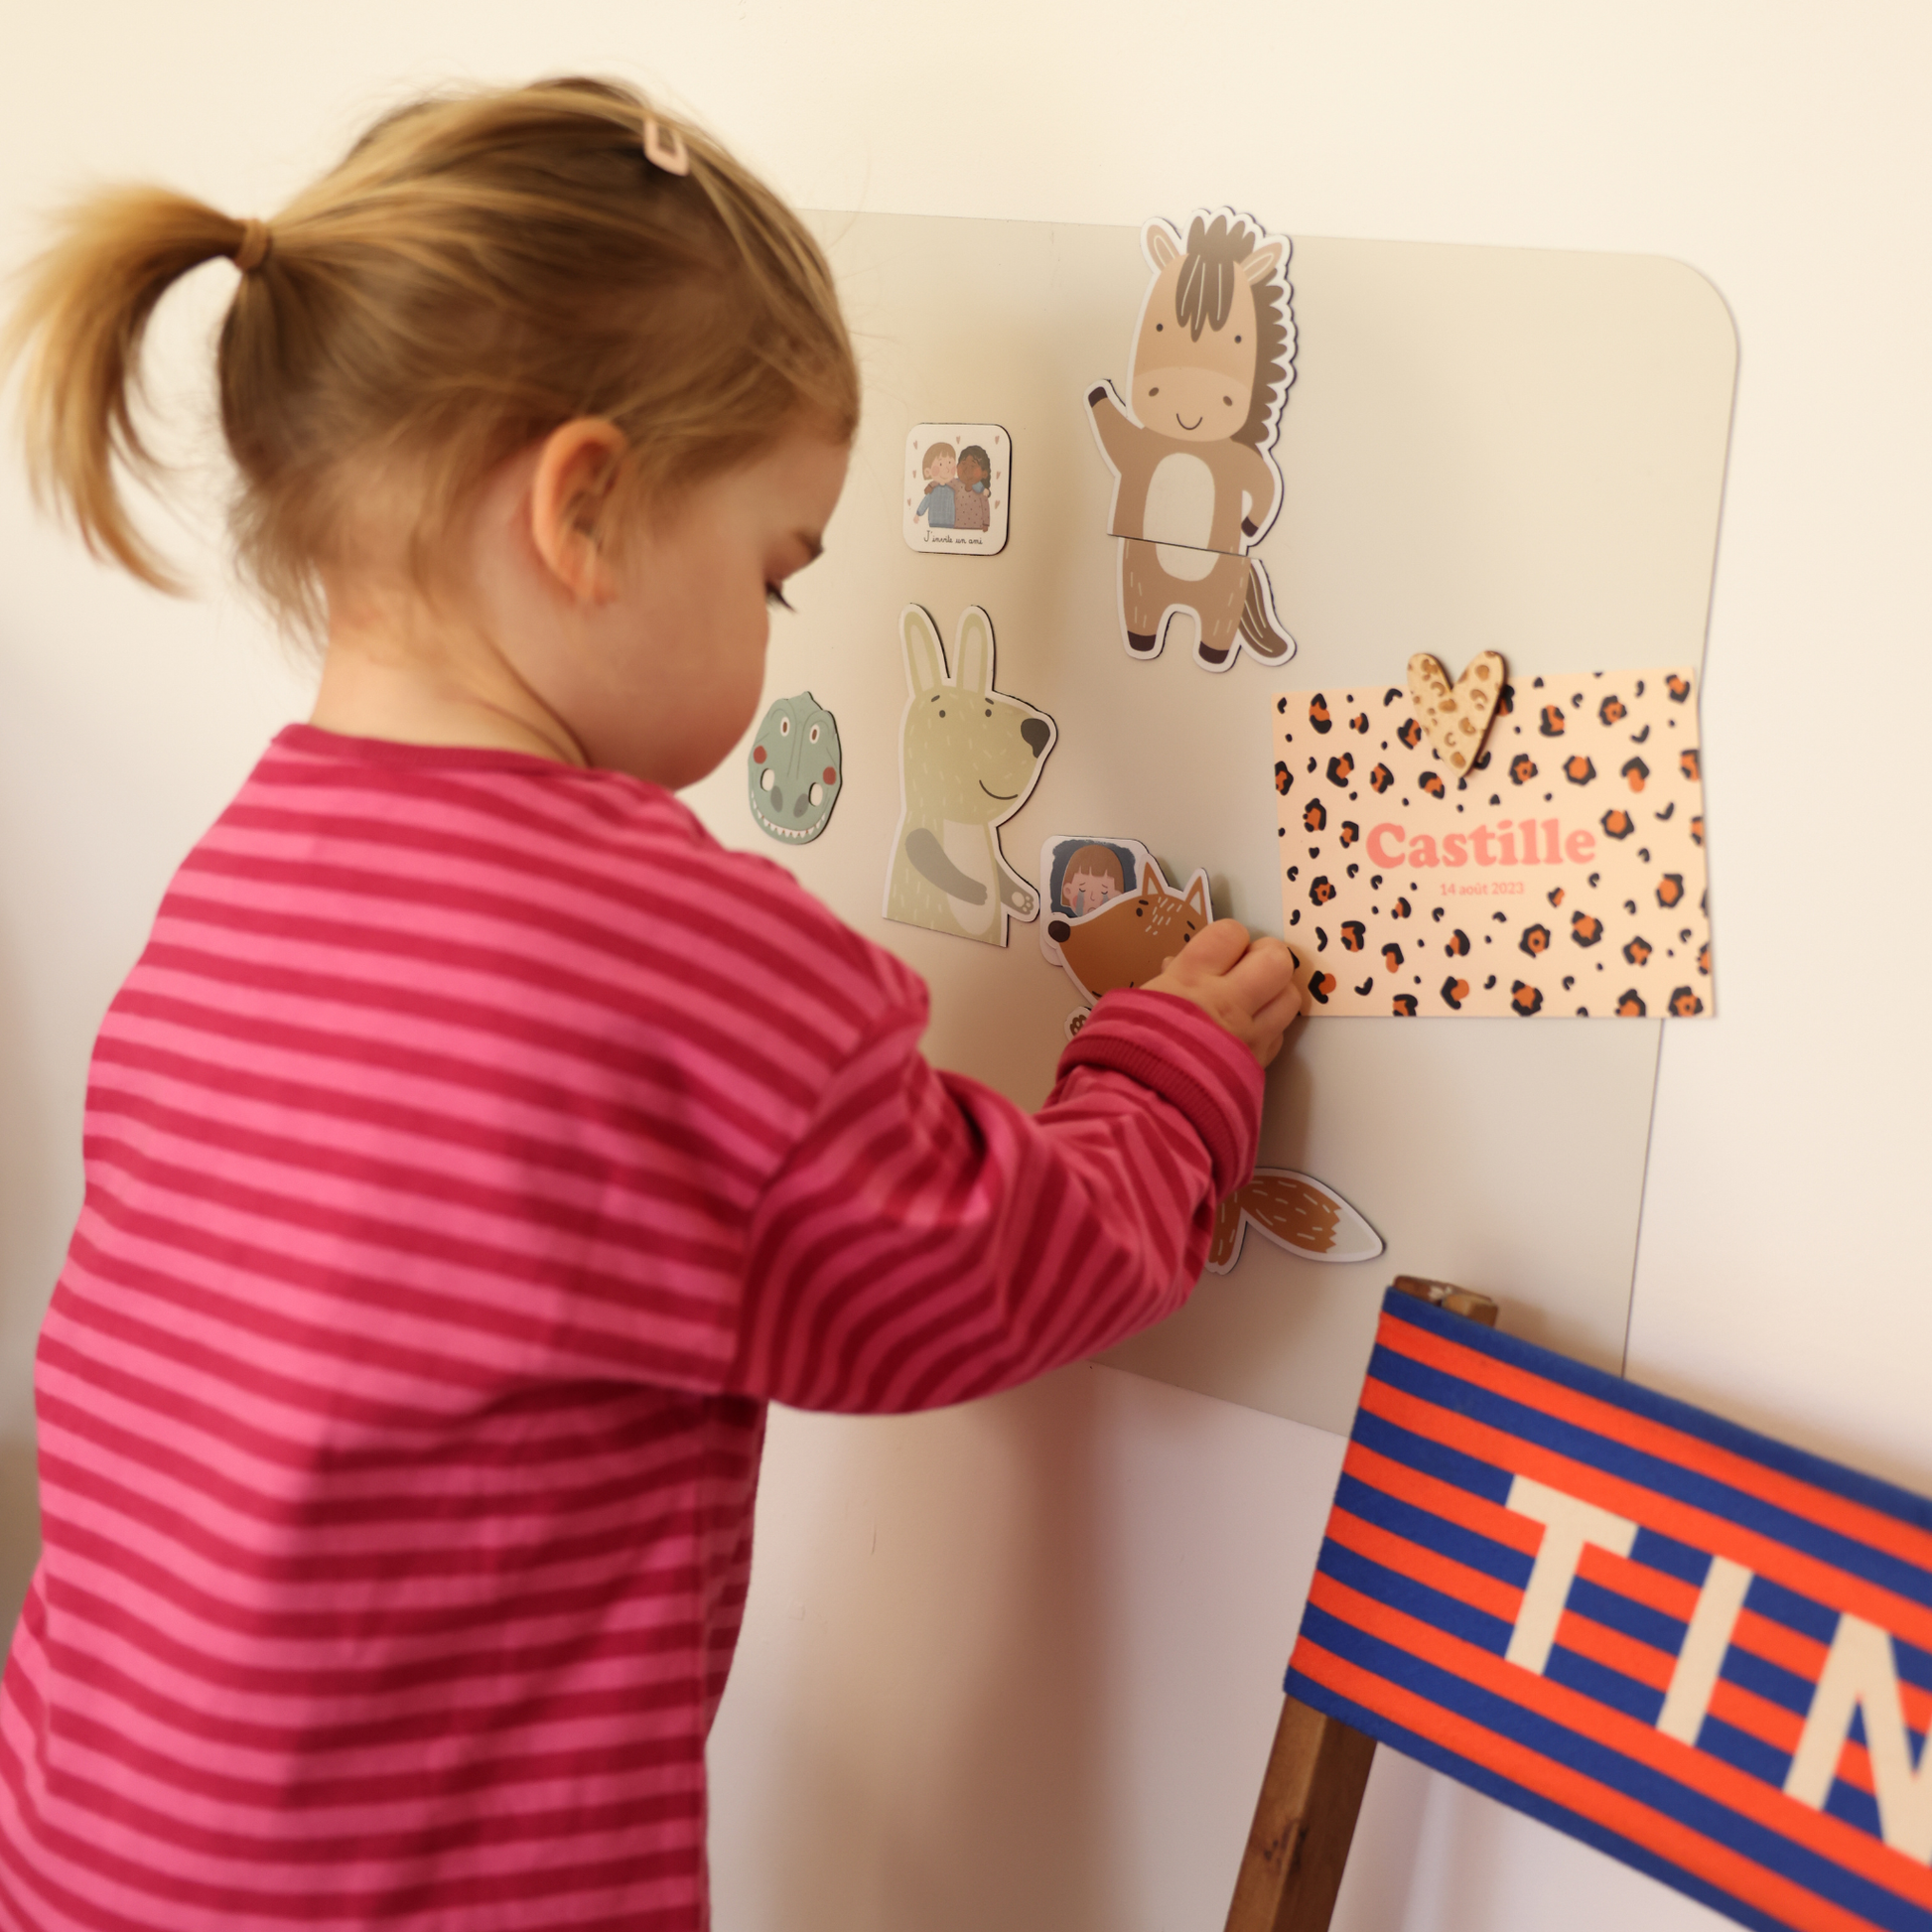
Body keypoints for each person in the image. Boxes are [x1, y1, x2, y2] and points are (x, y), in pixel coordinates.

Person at [0, 76, 1305, 1932]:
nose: (783, 624)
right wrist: (1172, 1071)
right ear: (586, 508)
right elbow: (985, 1269)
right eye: (778, 567)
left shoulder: (239, 878)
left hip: (87, 1850)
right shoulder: (655, 948)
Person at [913, 438, 958, 526]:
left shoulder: (953, 490)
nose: (946, 469)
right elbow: (925, 502)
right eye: (940, 464)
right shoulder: (932, 490)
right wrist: (918, 514)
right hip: (934, 522)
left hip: (950, 523)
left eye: (949, 462)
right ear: (928, 471)